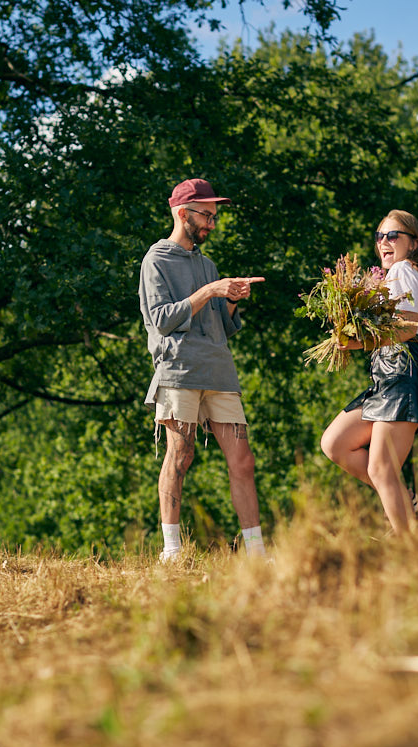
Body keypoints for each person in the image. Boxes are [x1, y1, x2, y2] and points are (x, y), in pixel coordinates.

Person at [138, 178, 267, 561]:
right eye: (206, 215)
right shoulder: (156, 260)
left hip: (219, 373)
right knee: (181, 453)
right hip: (179, 371)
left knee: (243, 460)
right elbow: (161, 319)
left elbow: (222, 326)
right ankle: (172, 551)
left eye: (214, 216)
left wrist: (230, 298)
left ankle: (257, 553)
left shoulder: (207, 264)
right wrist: (210, 291)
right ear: (183, 213)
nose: (212, 223)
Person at [320, 210, 418, 535]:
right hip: (386, 377)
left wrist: (357, 343)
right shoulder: (395, 276)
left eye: (392, 235)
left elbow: (409, 327)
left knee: (382, 468)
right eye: (379, 236)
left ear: (413, 243)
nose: (383, 242)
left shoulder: (403, 269)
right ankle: (405, 499)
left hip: (403, 374)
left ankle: (410, 545)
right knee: (335, 443)